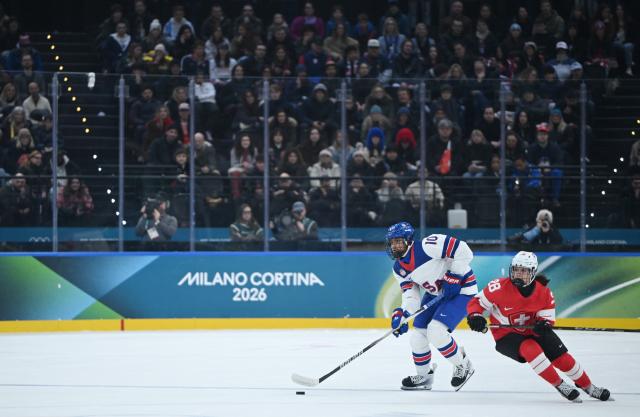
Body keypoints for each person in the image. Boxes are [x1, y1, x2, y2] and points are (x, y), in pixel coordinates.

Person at [466, 251, 612, 402]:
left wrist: (544, 324)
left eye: (523, 270)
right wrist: (475, 316)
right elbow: (476, 303)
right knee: (530, 348)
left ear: (533, 272)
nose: (518, 274)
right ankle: (560, 385)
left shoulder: (544, 293)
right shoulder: (498, 287)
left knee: (562, 358)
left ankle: (589, 386)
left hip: (533, 331)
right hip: (506, 335)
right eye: (516, 269)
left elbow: (547, 319)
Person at [386, 222, 476, 391]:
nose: (394, 246)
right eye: (392, 242)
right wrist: (403, 315)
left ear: (408, 240)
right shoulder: (398, 269)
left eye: (398, 241)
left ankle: (464, 364)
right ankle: (425, 377)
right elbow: (411, 296)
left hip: (463, 290)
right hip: (436, 295)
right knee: (417, 337)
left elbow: (464, 250)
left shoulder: (428, 245)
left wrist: (455, 275)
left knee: (436, 331)